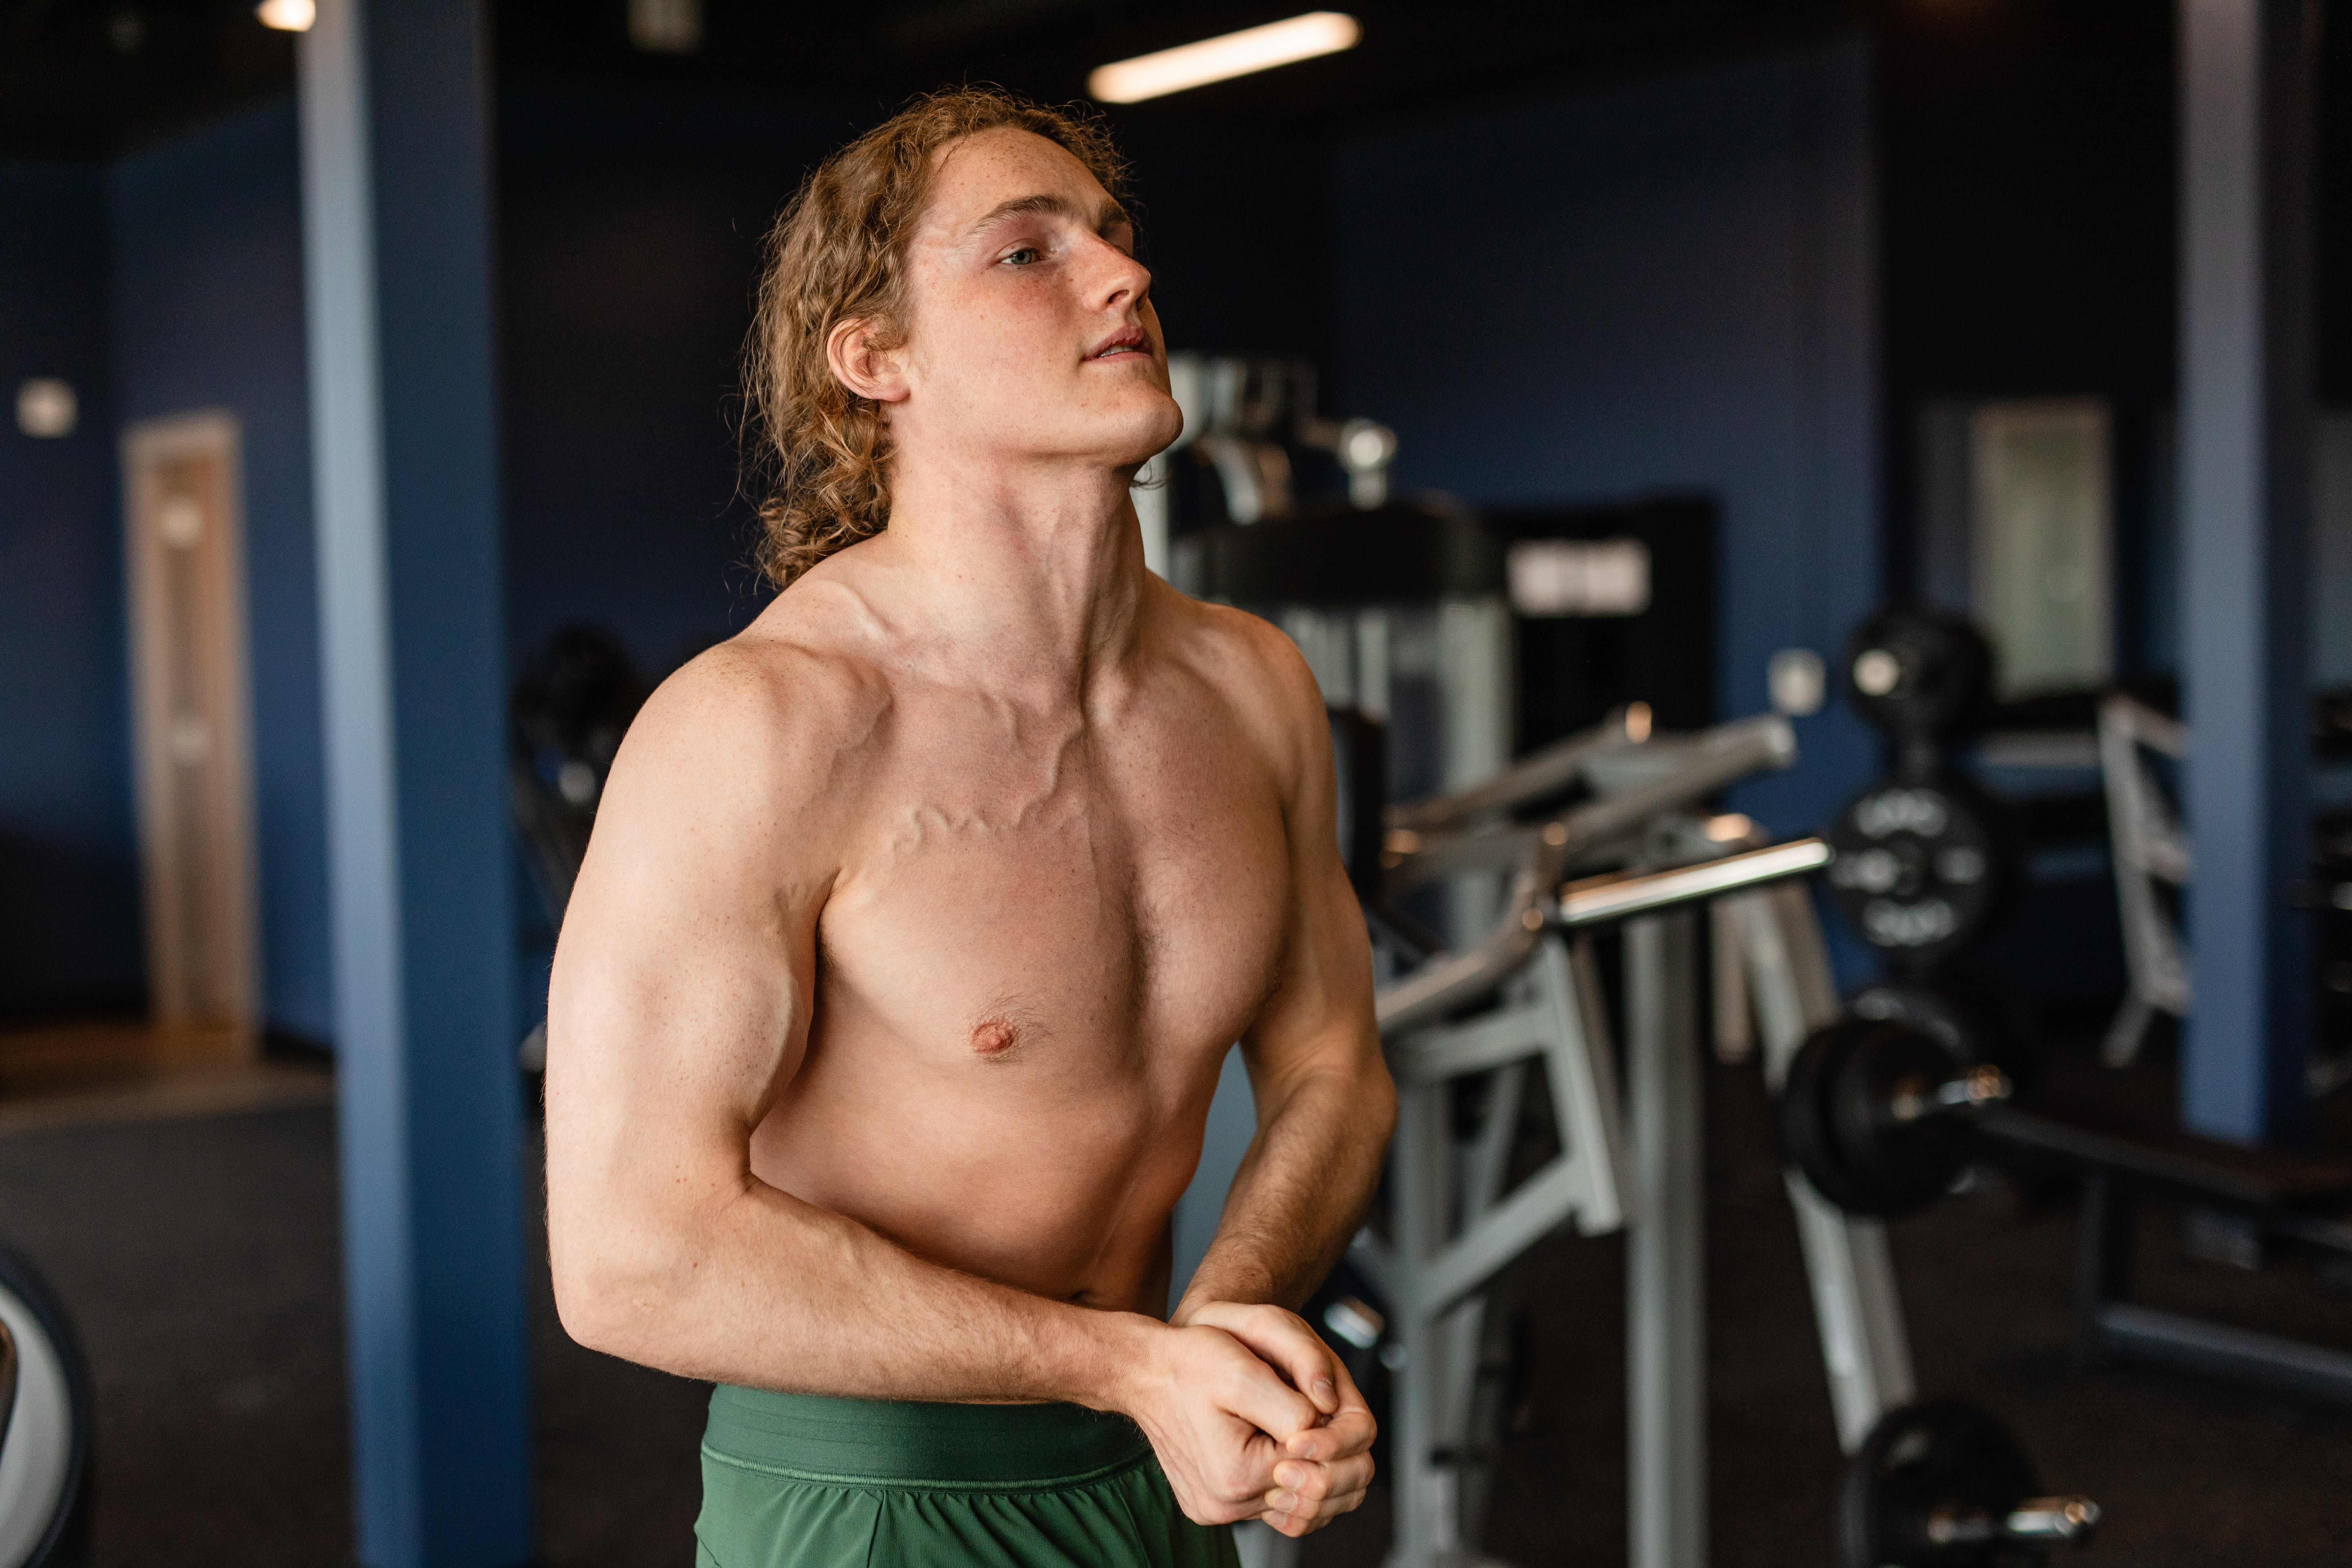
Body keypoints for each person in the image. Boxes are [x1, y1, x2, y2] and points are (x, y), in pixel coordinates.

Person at [544, 87, 1396, 1567]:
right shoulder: (767, 725)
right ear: (877, 359)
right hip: (876, 1497)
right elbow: (630, 1257)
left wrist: (1230, 1319)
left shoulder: (1253, 685)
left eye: (1117, 239)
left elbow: (1334, 1064)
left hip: (1153, 1462)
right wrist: (1126, 1364)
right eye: (1027, 252)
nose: (1123, 276)